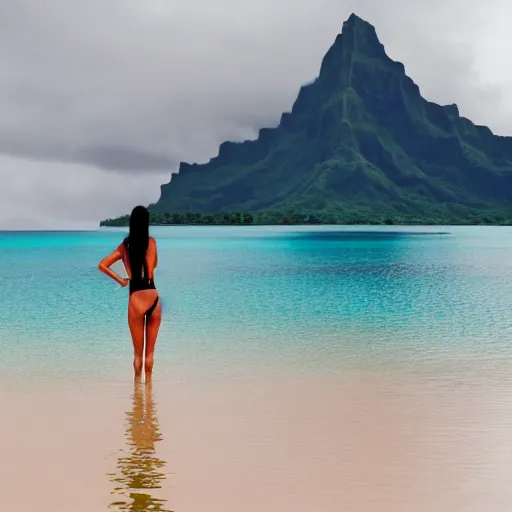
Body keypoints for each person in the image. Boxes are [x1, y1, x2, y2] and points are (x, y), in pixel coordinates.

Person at [98, 205, 162, 381]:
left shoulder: (125, 245)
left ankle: (136, 393)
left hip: (136, 297)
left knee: (137, 355)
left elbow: (102, 265)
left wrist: (121, 280)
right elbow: (152, 268)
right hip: (153, 296)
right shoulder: (152, 242)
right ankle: (148, 393)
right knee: (150, 354)